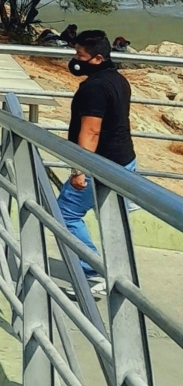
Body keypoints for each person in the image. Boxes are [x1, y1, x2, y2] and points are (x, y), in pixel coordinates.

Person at [58, 30, 136, 296]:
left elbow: (91, 131)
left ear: (98, 58)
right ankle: (118, 274)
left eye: (80, 55)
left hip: (99, 165)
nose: (75, 60)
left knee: (65, 215)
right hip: (125, 162)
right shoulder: (119, 80)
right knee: (112, 220)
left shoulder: (94, 88)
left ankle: (94, 273)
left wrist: (79, 170)